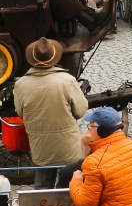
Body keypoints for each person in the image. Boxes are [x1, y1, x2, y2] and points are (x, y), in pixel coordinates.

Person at [13, 37, 87, 188]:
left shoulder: (21, 85)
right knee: (69, 188)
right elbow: (80, 111)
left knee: (42, 189)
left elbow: (20, 113)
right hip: (68, 148)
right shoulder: (67, 80)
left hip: (41, 147)